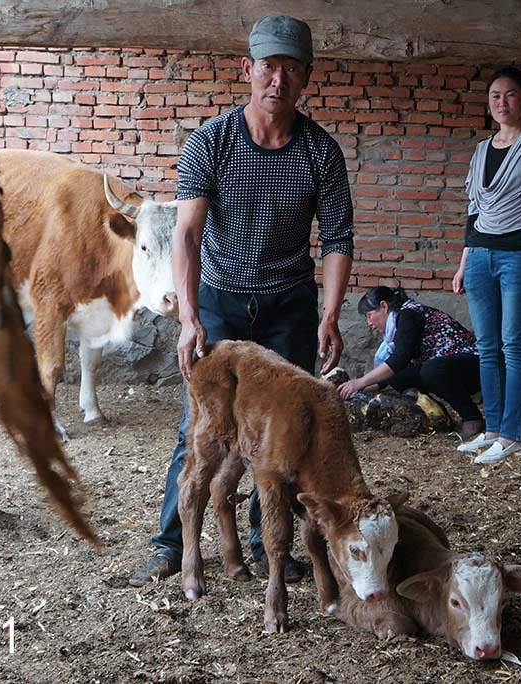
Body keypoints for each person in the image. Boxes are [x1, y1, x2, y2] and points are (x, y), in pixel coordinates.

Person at [129, 15, 354, 587]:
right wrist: (189, 316)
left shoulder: (320, 153)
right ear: (248, 69)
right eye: (269, 66)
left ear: (305, 78)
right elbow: (186, 234)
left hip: (287, 304)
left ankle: (264, 545)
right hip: (222, 300)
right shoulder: (212, 140)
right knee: (198, 429)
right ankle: (170, 545)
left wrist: (329, 314)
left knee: (283, 432)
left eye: (292, 69)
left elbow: (337, 240)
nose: (278, 79)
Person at [451, 66, 521, 465]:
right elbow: (472, 211)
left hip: (518, 255)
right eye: (495, 95)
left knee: (513, 344)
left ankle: (513, 433)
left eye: (510, 94)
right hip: (479, 255)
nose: (502, 102)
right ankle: (493, 429)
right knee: (486, 346)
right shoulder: (482, 149)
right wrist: (463, 264)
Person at [337, 286, 484, 438]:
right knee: (397, 376)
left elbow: (400, 358)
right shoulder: (396, 325)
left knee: (431, 370)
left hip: (472, 365)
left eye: (369, 315)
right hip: (445, 368)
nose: (368, 322)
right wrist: (358, 387)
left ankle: (472, 418)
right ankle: (435, 415)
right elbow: (391, 371)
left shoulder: (409, 314)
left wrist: (361, 381)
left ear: (384, 306)